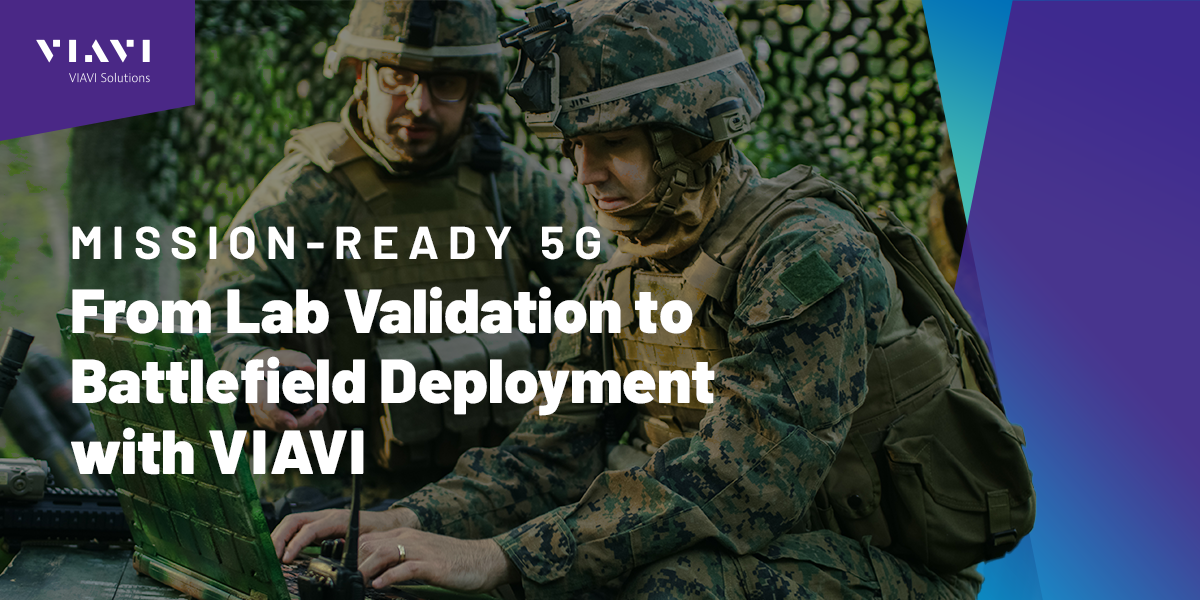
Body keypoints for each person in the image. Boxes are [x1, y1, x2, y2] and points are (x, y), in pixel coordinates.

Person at [271, 1, 1032, 597]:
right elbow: (546, 456)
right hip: (765, 547)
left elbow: (742, 482)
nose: (586, 173)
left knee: (669, 587)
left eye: (613, 145)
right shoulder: (624, 274)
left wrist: (503, 555)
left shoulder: (808, 256)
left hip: (885, 570)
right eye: (576, 147)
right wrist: (408, 519)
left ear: (689, 137)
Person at [198, 0, 608, 501]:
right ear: (361, 75)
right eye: (398, 77)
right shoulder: (308, 192)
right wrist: (253, 368)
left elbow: (602, 304)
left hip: (491, 491)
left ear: (474, 89)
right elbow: (217, 324)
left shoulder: (511, 184)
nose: (418, 104)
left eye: (445, 83)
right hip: (342, 499)